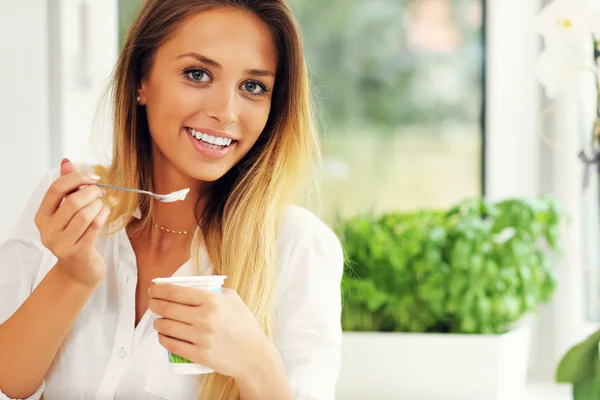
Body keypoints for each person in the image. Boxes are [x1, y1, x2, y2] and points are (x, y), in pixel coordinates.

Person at [0, 1, 343, 399]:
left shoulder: (297, 246)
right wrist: (71, 274)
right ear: (140, 81)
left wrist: (255, 364)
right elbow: (10, 379)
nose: (226, 112)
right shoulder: (70, 203)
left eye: (253, 87)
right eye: (197, 74)